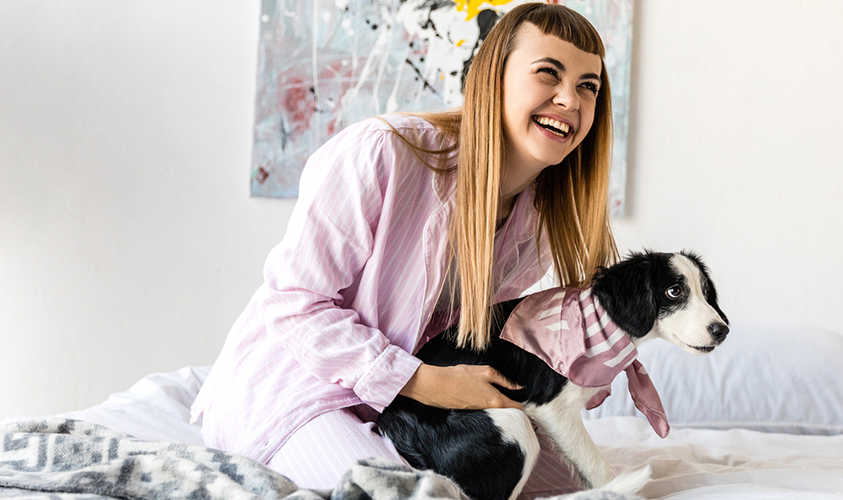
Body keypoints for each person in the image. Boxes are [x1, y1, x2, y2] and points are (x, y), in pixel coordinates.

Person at [190, 3, 618, 495]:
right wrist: (424, 382)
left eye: (588, 85)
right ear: (492, 77)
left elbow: (474, 333)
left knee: (582, 486)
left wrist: (599, 356)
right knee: (404, 494)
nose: (570, 99)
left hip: (410, 412)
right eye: (549, 73)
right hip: (295, 388)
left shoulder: (543, 218)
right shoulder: (382, 152)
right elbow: (295, 303)